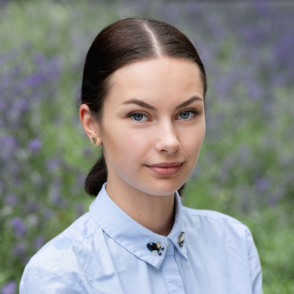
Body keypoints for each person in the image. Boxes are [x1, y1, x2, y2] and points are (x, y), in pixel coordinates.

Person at [20, 17, 263, 294]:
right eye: (139, 116)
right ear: (91, 124)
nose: (170, 141)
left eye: (186, 113)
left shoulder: (233, 243)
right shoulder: (60, 275)